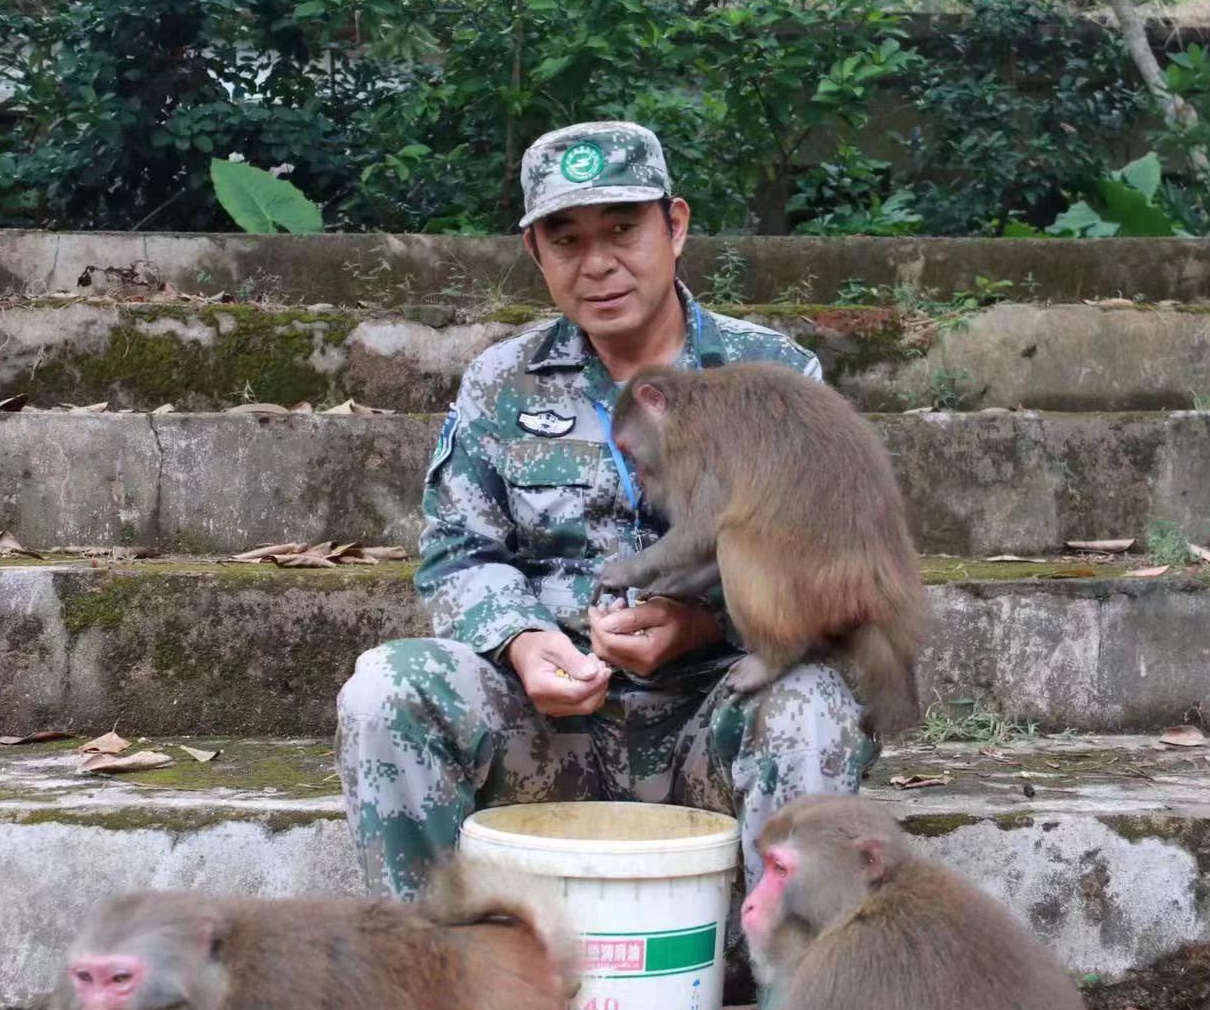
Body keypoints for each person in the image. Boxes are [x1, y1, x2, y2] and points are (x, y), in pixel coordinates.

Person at [333, 121, 877, 914]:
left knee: (814, 704)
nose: (598, 265)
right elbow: (456, 554)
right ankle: (446, 1001)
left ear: (676, 225)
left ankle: (795, 1008)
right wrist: (522, 642)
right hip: (544, 731)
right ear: (537, 255)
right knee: (386, 687)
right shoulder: (501, 381)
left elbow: (830, 560)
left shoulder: (773, 375)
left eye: (623, 230)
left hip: (713, 715)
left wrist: (700, 624)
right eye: (567, 240)